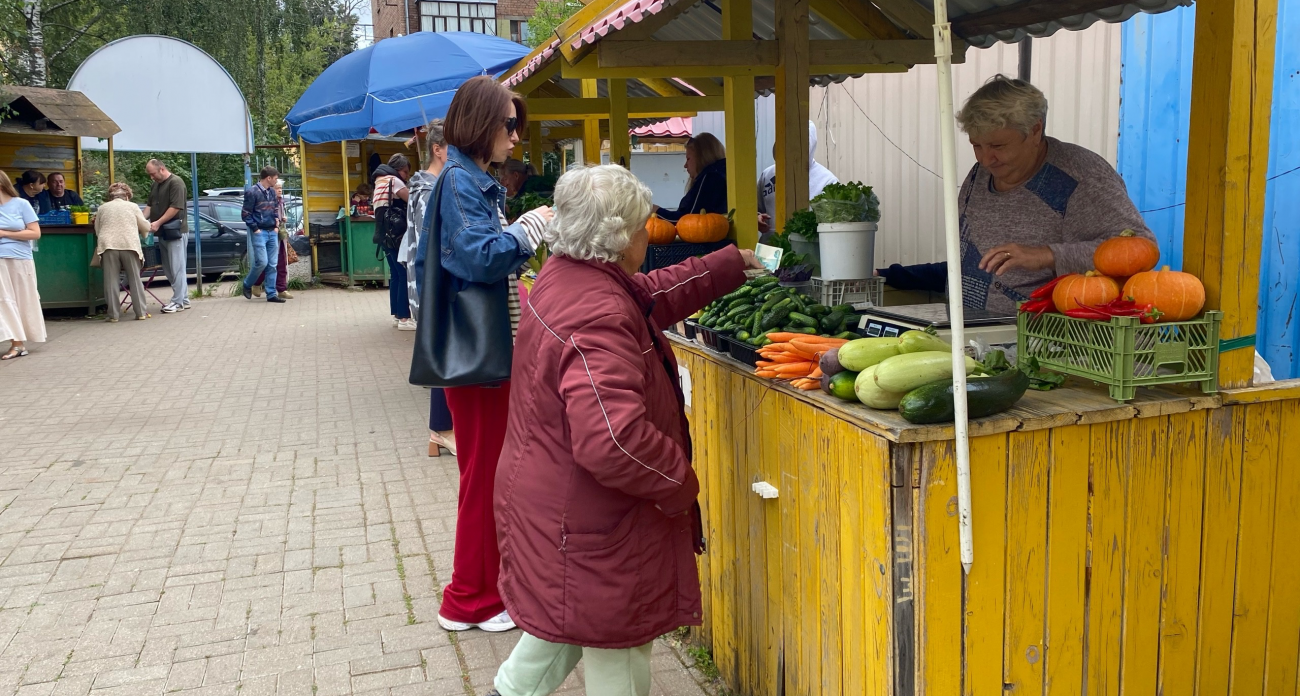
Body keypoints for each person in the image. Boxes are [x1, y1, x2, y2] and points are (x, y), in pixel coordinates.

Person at [490, 165, 762, 696]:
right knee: (618, 641)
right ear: (618, 237)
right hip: (593, 524)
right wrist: (680, 480)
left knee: (568, 620)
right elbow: (614, 441)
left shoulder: (569, 275)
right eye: (644, 224)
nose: (650, 229)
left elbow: (648, 296)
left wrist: (728, 264)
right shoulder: (597, 311)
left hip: (559, 508)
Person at [412, 75, 552, 634]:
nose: (516, 137)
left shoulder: (466, 179)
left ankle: (480, 593)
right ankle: (470, 598)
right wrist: (526, 232)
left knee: (485, 475)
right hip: (480, 358)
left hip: (482, 354)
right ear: (482, 125)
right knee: (484, 477)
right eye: (509, 125)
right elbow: (476, 258)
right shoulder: (464, 183)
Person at [878, 75, 1157, 314]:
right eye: (977, 145)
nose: (986, 159)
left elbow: (1142, 249)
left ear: (1035, 130)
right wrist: (895, 276)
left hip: (1051, 344)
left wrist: (1048, 255)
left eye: (997, 145)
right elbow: (972, 260)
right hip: (973, 335)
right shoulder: (980, 175)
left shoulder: (1082, 178)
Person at [401, 119, 456, 457]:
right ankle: (441, 429)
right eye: (454, 147)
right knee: (443, 352)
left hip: (435, 281)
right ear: (438, 150)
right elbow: (431, 243)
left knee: (446, 351)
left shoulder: (430, 186)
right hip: (432, 282)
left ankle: (443, 428)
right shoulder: (427, 190)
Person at [757, 120, 838, 233]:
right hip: (771, 247)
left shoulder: (827, 181)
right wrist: (757, 218)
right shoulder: (767, 175)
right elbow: (755, 209)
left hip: (807, 248)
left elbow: (833, 226)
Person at [0, 170, 46, 360]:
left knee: (20, 299)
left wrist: (4, 233)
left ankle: (18, 344)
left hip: (19, 259)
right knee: (4, 301)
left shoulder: (21, 204)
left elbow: (35, 233)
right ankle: (15, 342)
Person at [94, 182, 151, 322]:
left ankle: (113, 315)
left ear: (111, 196)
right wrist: (144, 233)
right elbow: (144, 226)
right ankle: (141, 313)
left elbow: (98, 230)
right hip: (129, 244)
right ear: (127, 195)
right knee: (135, 279)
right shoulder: (132, 206)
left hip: (108, 245)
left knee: (111, 281)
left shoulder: (102, 208)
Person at [144, 159, 190, 313]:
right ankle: (184, 299)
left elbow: (176, 207)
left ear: (162, 169)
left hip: (175, 231)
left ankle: (178, 302)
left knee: (177, 267)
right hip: (162, 232)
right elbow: (149, 206)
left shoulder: (176, 182)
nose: (152, 177)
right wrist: (141, 221)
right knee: (169, 268)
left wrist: (157, 222)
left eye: (153, 174)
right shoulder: (155, 184)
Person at [373, 154, 413, 330]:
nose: (406, 176)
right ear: (398, 170)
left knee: (395, 275)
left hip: (384, 235)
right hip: (397, 235)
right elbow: (413, 200)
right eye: (405, 172)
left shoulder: (379, 181)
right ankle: (405, 318)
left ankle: (397, 315)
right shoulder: (394, 181)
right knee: (403, 273)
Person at [653, 133, 727, 222]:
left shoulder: (710, 178)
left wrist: (656, 211)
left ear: (702, 157)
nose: (685, 165)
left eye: (688, 159)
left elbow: (689, 219)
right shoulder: (720, 175)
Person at [241, 166, 285, 304]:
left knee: (272, 264)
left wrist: (276, 224)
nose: (276, 181)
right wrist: (255, 229)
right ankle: (247, 284)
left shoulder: (272, 192)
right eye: (275, 178)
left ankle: (271, 294)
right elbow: (245, 213)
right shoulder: (252, 192)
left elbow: (275, 208)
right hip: (259, 231)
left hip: (272, 231)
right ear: (269, 178)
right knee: (262, 262)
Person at [252, 181, 291, 299]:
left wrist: (283, 219)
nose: (280, 190)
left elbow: (279, 216)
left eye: (281, 188)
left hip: (279, 237)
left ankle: (281, 289)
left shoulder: (281, 201)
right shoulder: (268, 202)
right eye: (277, 188)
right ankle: (256, 283)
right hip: (269, 236)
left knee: (281, 263)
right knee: (267, 263)